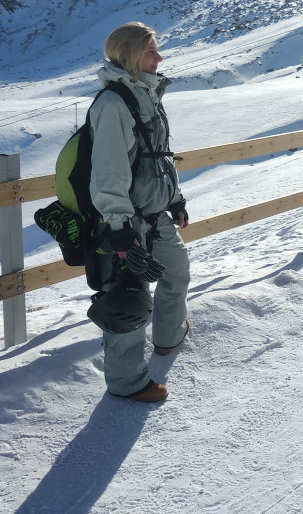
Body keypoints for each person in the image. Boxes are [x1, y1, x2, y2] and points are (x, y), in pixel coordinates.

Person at [88, 22, 191, 402]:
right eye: (151, 51)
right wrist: (118, 228)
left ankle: (168, 337)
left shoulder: (146, 93)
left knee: (176, 271)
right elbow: (109, 171)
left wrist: (174, 198)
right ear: (130, 54)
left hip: (155, 214)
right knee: (128, 297)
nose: (159, 57)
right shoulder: (114, 103)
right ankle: (126, 382)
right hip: (127, 221)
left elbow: (157, 157)